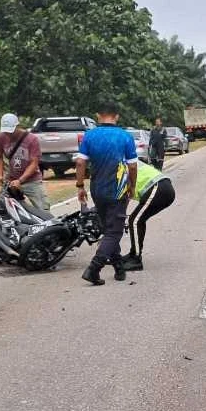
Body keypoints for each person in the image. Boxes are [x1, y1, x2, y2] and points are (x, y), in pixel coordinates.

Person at [74, 101, 137, 286]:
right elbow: (132, 166)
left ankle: (119, 267)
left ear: (97, 115)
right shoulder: (125, 136)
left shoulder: (89, 136)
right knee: (114, 232)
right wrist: (132, 186)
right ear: (117, 116)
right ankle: (94, 269)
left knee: (108, 229)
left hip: (97, 189)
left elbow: (80, 163)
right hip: (118, 189)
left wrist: (80, 186)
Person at [124, 159, 176, 271]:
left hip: (158, 187)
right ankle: (133, 254)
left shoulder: (120, 164)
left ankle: (136, 260)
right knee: (137, 220)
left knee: (135, 221)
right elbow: (126, 195)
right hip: (162, 188)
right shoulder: (123, 159)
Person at [0, 113, 49, 211]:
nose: (8, 134)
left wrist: (20, 180)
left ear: (17, 126)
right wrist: (0, 175)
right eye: (6, 131)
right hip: (11, 180)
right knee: (2, 209)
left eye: (11, 131)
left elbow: (34, 163)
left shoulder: (31, 139)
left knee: (43, 209)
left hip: (32, 180)